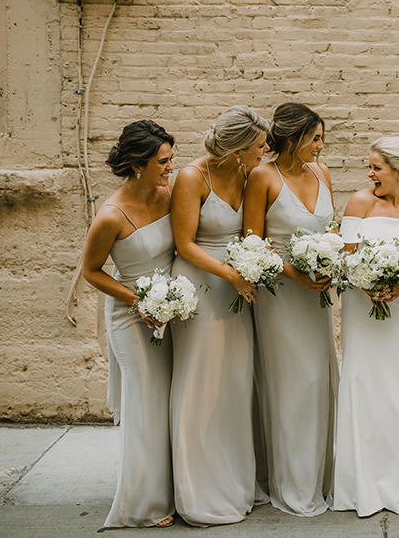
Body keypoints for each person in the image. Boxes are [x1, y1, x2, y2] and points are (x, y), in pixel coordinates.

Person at [169, 106, 271, 526]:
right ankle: (198, 489)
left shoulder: (246, 173)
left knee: (233, 383)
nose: (265, 152)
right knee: (201, 382)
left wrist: (250, 266)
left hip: (236, 285)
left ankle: (234, 480)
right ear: (239, 149)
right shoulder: (193, 177)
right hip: (202, 285)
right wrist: (232, 273)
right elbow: (184, 243)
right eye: (261, 146)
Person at [331, 137, 399, 517]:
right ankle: (361, 481)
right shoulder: (359, 202)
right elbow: (346, 255)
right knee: (362, 380)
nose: (370, 174)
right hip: (362, 306)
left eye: (377, 167)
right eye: (370, 166)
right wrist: (367, 284)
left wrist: (397, 287)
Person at [81, 120, 177, 528]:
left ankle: (174, 487)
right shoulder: (110, 216)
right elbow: (92, 272)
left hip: (172, 310)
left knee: (170, 400)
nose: (171, 167)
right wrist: (140, 300)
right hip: (130, 314)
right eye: (163, 161)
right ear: (138, 164)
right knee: (146, 403)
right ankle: (143, 504)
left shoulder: (169, 195)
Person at [243, 102, 336, 517]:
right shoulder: (263, 176)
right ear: (295, 138)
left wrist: (331, 261)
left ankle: (322, 476)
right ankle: (291, 481)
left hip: (315, 296)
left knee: (318, 379)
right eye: (314, 138)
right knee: (290, 385)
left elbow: (331, 231)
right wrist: (295, 274)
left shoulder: (322, 173)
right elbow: (252, 241)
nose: (320, 145)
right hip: (280, 296)